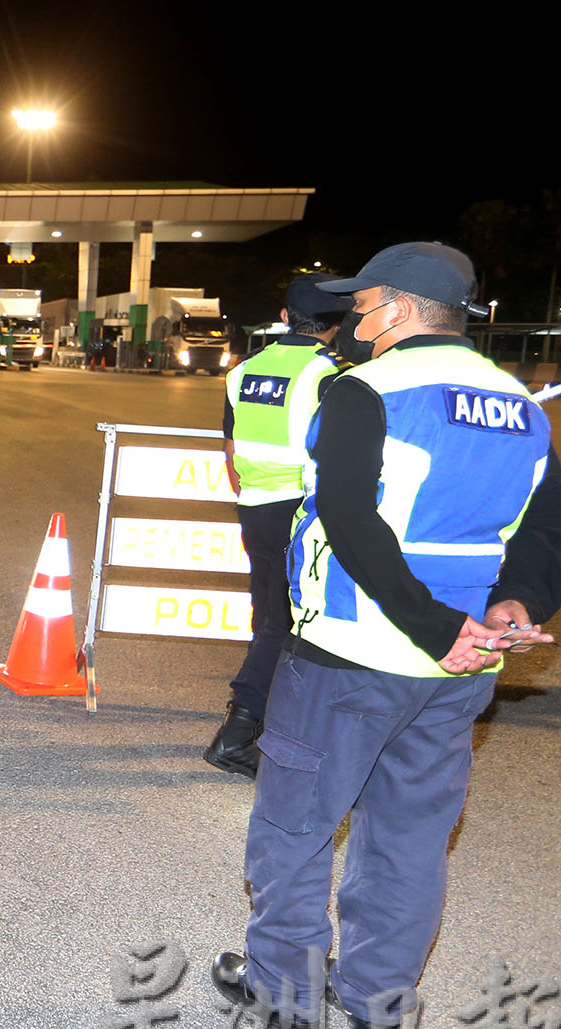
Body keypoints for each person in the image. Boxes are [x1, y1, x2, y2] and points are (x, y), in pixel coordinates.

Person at [212, 242, 561, 1029]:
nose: (354, 320)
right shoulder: (519, 404)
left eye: (364, 304)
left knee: (295, 824)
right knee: (410, 834)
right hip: (460, 669)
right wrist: (514, 607)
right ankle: (380, 1001)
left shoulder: (367, 390)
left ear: (402, 310)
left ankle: (284, 990)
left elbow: (349, 520)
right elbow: (555, 529)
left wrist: (433, 625)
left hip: (352, 652)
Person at [203, 275, 353, 778]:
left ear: (285, 316)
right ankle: (238, 733)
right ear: (337, 325)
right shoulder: (329, 374)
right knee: (287, 620)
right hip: (302, 511)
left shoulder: (242, 370)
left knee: (268, 609)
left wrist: (250, 493)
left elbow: (230, 447)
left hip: (254, 505)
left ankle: (262, 723)